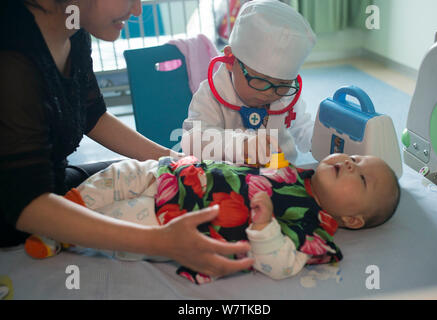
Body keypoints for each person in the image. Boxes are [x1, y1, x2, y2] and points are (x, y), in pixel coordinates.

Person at [0, 0, 253, 277]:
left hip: (52, 181)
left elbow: (91, 115)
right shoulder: (12, 56)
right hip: (16, 214)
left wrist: (177, 161)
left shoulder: (74, 28)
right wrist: (161, 242)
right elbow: (26, 203)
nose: (137, 11)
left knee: (149, 176)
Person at [46, 152, 400, 283]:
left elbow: (281, 265)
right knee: (121, 172)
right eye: (356, 156)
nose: (353, 163)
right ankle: (70, 204)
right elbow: (252, 167)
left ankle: (57, 233)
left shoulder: (312, 227)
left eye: (363, 177)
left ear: (353, 219)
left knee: (120, 218)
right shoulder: (293, 168)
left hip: (176, 217)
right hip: (175, 173)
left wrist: (265, 229)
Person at [181, 0, 317, 166]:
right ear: (230, 60)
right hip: (230, 181)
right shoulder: (210, 95)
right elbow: (193, 141)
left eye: (282, 84)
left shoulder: (287, 95)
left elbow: (303, 128)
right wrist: (241, 144)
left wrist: (325, 141)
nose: (270, 93)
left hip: (282, 176)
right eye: (259, 80)